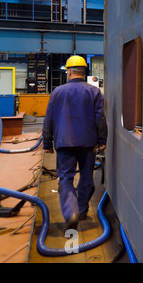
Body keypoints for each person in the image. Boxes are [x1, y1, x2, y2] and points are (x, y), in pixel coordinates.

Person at [42, 55, 107, 230]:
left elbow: (49, 119)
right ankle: (82, 210)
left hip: (64, 142)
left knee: (66, 178)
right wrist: (102, 140)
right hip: (87, 143)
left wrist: (47, 143)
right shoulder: (93, 92)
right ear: (84, 72)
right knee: (86, 177)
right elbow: (100, 118)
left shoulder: (58, 92)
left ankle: (71, 213)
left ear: (69, 72)